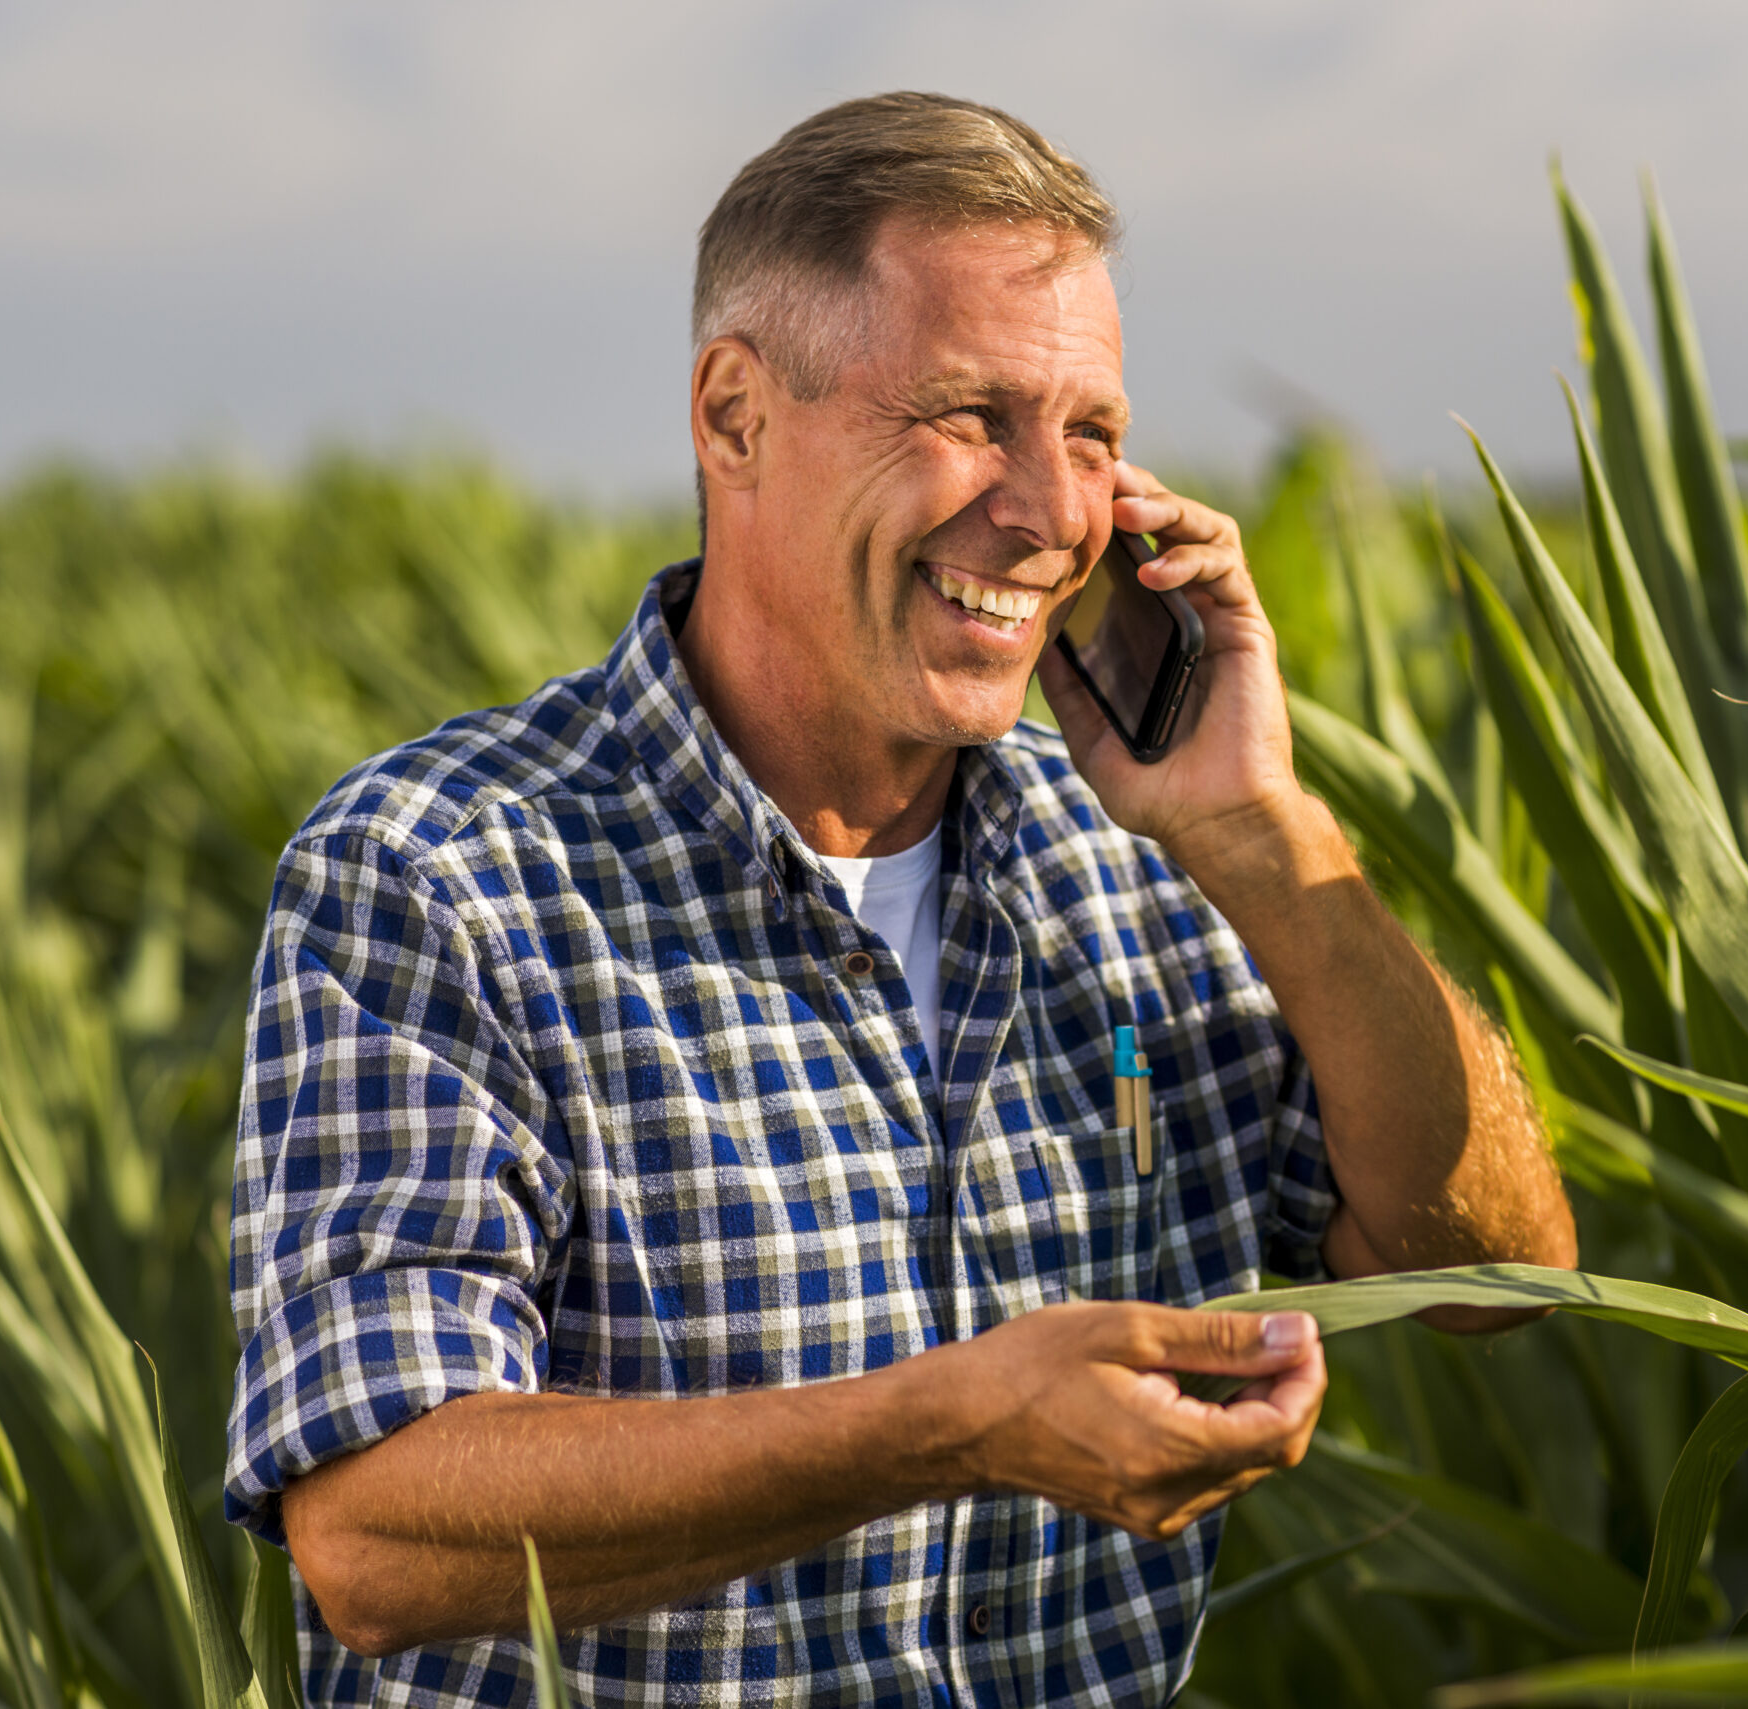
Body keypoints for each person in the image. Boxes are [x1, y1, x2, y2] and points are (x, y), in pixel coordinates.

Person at [224, 90, 1575, 1709]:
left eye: (1090, 433)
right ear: (735, 416)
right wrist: (952, 1423)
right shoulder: (444, 870)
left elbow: (1498, 1273)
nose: (1053, 511)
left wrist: (1268, 833)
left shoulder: (1143, 863)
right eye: (968, 414)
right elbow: (374, 1530)